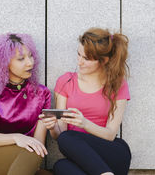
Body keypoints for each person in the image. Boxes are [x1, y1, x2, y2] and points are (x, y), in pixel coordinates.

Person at [40, 27, 132, 175]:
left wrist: (85, 123)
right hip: (81, 161)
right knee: (61, 166)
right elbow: (60, 135)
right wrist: (52, 127)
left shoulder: (118, 84)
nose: (79, 62)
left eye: (86, 59)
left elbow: (109, 135)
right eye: (78, 55)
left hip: (112, 154)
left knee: (67, 139)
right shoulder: (66, 81)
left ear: (104, 60)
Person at [0, 33, 52, 175]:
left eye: (31, 56)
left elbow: (38, 144)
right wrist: (18, 138)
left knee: (37, 157)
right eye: (21, 59)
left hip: (25, 157)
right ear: (4, 63)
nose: (30, 63)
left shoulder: (42, 93)